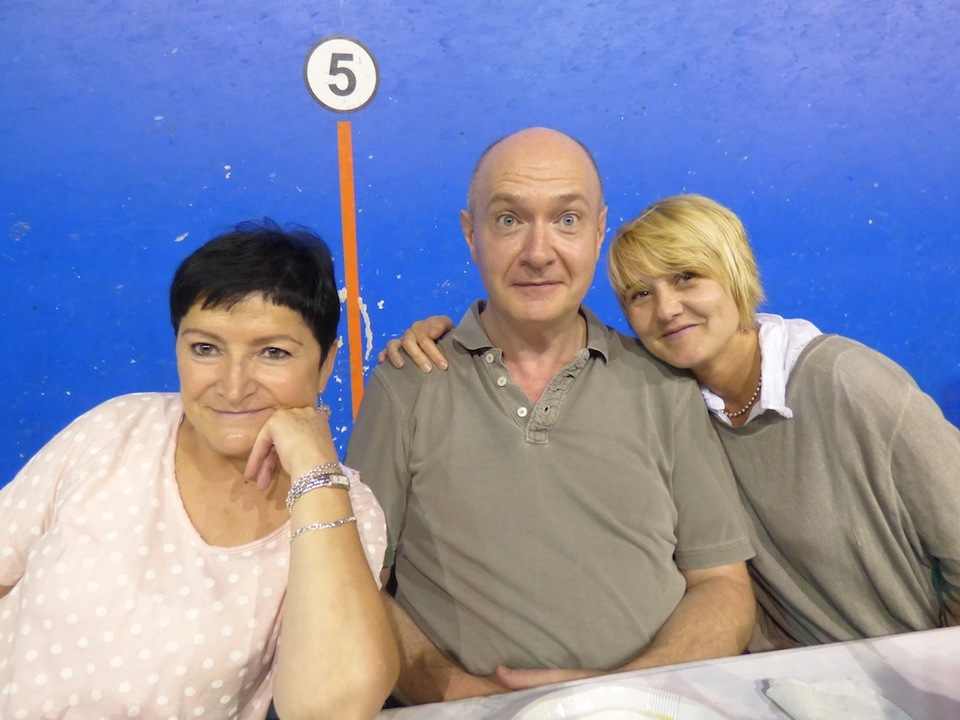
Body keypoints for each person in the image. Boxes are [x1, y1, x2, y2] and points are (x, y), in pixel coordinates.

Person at [394, 192, 960, 651]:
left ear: (736, 274)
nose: (666, 309)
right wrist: (444, 338)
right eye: (641, 293)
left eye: (687, 277)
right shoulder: (664, 396)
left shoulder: (850, 384)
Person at [345, 128, 755, 705]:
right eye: (509, 220)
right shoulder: (406, 384)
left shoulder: (665, 385)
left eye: (567, 219)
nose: (539, 253)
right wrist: (466, 698)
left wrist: (629, 693)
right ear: (471, 234)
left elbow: (723, 586)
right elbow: (354, 585)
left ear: (598, 231)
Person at [0, 221, 399, 720]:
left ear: (325, 365)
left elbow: (331, 708)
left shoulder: (347, 508)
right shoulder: (115, 431)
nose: (233, 387)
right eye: (206, 348)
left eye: (273, 353)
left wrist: (315, 470)